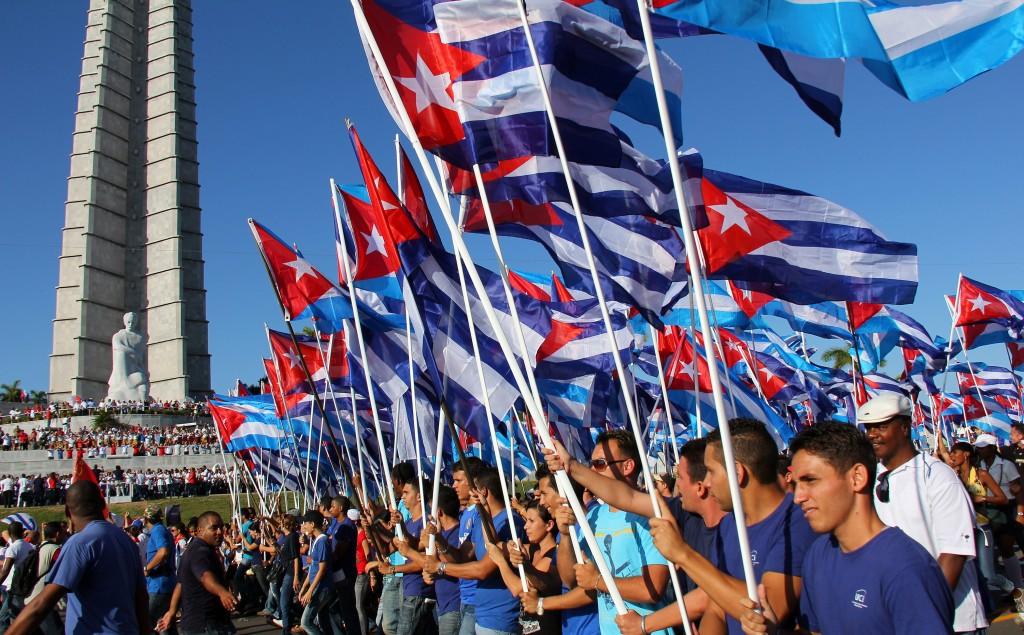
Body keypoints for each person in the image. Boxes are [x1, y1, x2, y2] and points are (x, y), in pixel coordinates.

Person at [739, 422, 954, 634]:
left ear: (857, 477)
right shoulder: (818, 555)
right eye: (796, 484)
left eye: (810, 480)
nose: (798, 497)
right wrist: (772, 631)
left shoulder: (906, 568)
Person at [642, 419, 817, 635]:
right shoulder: (729, 525)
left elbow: (768, 610)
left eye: (711, 471)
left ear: (737, 472)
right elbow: (716, 608)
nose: (706, 482)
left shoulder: (797, 522)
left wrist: (682, 554)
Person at [861, 393, 989, 634]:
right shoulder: (870, 478)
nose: (872, 434)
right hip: (902, 620)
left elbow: (954, 553)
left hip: (952, 621)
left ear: (904, 428)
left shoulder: (937, 476)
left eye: (881, 426)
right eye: (869, 428)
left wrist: (924, 611)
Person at [543, 429, 672, 635]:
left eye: (600, 464)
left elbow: (653, 588)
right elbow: (571, 579)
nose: (593, 471)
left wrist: (598, 580)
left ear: (628, 466)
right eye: (592, 464)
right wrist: (565, 536)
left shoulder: (651, 515)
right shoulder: (594, 516)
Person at [5, 481, 149, 635]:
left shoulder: (80, 543)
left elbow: (43, 603)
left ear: (67, 511)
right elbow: (141, 597)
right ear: (102, 504)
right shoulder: (126, 540)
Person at [426, 467, 524, 635]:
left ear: (483, 492)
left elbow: (483, 570)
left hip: (500, 617)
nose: (454, 486)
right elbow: (461, 557)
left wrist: (440, 567)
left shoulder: (510, 521)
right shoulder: (480, 521)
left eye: (459, 481)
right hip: (482, 613)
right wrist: (439, 538)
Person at [156, 511, 238, 635]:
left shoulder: (197, 549)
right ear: (200, 530)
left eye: (221, 527)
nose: (220, 532)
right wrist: (222, 592)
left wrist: (172, 612)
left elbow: (180, 584)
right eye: (214, 528)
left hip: (202, 623)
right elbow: (205, 576)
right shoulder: (200, 551)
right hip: (205, 624)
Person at [144, 505, 178, 635]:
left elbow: (163, 551)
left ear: (147, 519)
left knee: (148, 622)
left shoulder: (157, 531)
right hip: (167, 582)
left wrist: (147, 568)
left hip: (159, 584)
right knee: (165, 624)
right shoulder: (164, 530)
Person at [298, 510, 333, 635]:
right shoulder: (316, 540)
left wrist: (310, 591)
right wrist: (304, 587)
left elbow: (322, 570)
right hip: (316, 586)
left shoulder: (322, 541)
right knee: (324, 621)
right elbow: (313, 568)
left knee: (305, 622)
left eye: (306, 523)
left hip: (321, 588)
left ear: (312, 524)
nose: (304, 526)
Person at [26, 522, 63, 635]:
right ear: (57, 534)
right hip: (43, 598)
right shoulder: (55, 549)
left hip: (30, 596)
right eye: (63, 533)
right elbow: (64, 569)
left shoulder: (40, 546)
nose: (64, 535)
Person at [0, 521, 35, 630]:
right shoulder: (30, 546)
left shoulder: (13, 548)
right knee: (15, 616)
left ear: (10, 534)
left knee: (3, 618)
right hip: (24, 585)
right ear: (22, 532)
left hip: (12, 586)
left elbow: (5, 570)